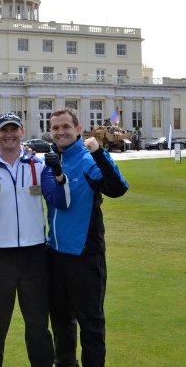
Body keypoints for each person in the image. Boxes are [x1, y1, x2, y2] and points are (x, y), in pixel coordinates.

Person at [0, 112, 70, 367]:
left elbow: (62, 201)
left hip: (34, 255)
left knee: (37, 325)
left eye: (14, 129)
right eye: (4, 130)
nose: (9, 134)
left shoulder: (38, 165)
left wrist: (59, 176)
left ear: (22, 131)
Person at [46, 108, 129, 367]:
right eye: (55, 128)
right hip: (55, 256)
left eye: (65, 127)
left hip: (85, 257)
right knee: (61, 326)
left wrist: (98, 153)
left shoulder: (87, 160)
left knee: (91, 327)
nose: (60, 132)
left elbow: (117, 188)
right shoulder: (51, 161)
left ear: (78, 129)